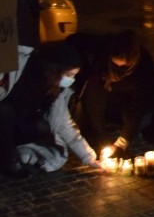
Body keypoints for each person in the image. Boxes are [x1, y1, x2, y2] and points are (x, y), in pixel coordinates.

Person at [1, 42, 103, 176]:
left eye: (74, 75)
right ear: (56, 69)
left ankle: (19, 156)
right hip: (5, 121)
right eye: (70, 74)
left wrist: (88, 156)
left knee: (54, 154)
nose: (71, 79)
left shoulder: (55, 89)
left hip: (22, 127)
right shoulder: (20, 67)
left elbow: (64, 123)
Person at [68, 30, 154, 155]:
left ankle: (116, 125)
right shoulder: (100, 49)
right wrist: (100, 135)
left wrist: (123, 141)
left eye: (124, 66)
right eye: (115, 64)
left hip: (124, 100)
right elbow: (72, 40)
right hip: (102, 95)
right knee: (88, 112)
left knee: (143, 120)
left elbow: (138, 106)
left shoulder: (143, 66)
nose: (119, 68)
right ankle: (100, 129)